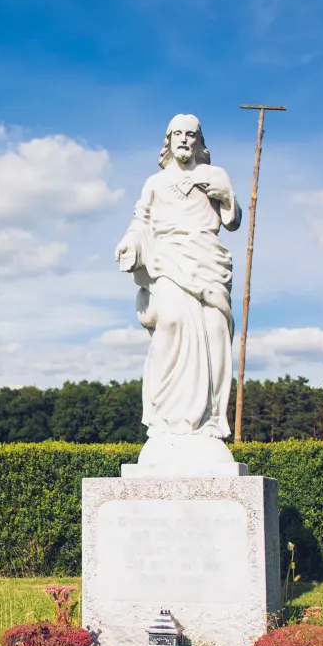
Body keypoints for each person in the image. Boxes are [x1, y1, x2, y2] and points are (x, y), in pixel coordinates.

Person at [115, 114, 242, 441]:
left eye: (191, 134)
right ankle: (165, 418)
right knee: (170, 325)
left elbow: (233, 220)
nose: (184, 139)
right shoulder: (155, 183)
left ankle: (211, 420)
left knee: (215, 331)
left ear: (199, 141)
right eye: (178, 134)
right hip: (169, 260)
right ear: (168, 141)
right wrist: (130, 242)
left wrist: (226, 197)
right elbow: (140, 221)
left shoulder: (215, 175)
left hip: (208, 259)